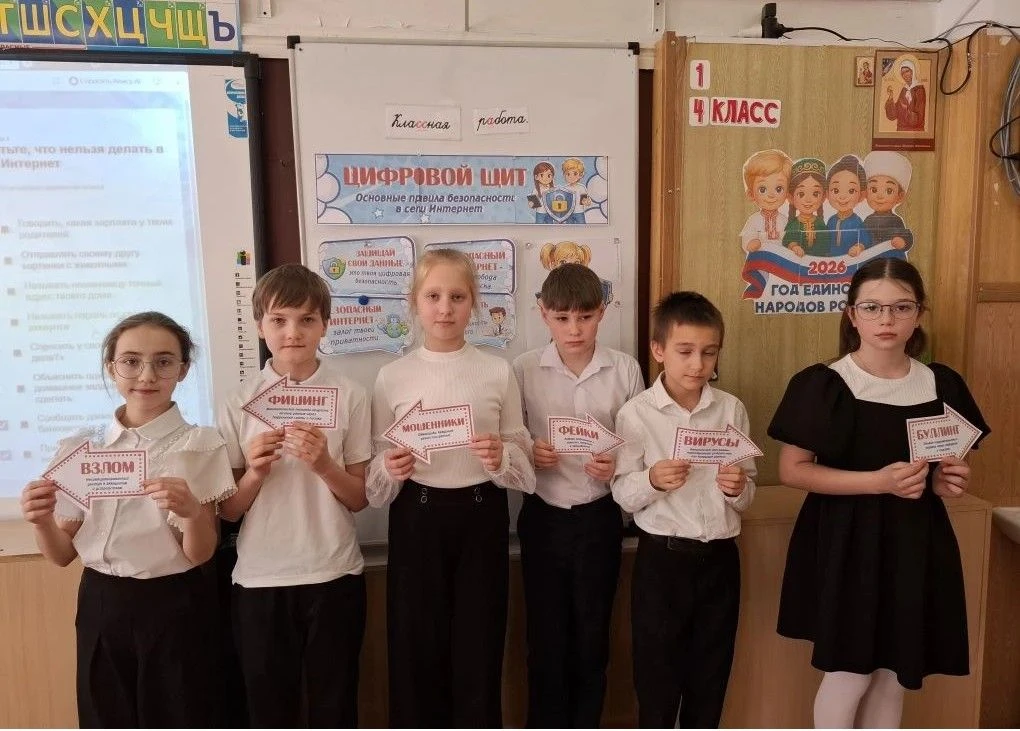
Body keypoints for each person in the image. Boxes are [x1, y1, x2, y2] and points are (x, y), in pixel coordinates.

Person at [768, 258, 989, 728]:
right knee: (849, 674)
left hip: (916, 540)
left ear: (919, 314)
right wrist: (877, 482)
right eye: (872, 307)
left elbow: (944, 471)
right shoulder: (826, 384)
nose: (886, 319)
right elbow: (792, 470)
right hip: (848, 542)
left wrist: (947, 482)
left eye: (901, 307)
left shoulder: (941, 384)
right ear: (852, 315)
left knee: (894, 675)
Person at [20, 311, 235, 728]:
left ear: (182, 369)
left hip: (175, 603)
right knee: (105, 715)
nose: (147, 375)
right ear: (111, 367)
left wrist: (192, 512)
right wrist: (41, 520)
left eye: (163, 361)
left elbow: (200, 554)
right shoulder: (82, 448)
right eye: (131, 361)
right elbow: (61, 554)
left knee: (179, 713)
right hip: (102, 601)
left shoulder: (199, 444)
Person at [367, 248, 536, 728]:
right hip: (417, 518)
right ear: (414, 302)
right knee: (415, 648)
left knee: (479, 647)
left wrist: (502, 457)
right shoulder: (391, 376)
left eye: (457, 297)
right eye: (433, 296)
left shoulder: (497, 370)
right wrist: (390, 466)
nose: (445, 308)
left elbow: (522, 462)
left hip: (482, 516)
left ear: (474, 302)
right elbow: (375, 477)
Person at [216, 263, 371, 728]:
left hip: (334, 571)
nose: (293, 332)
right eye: (279, 320)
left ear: (326, 324)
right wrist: (255, 473)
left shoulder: (351, 394)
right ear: (259, 326)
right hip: (261, 578)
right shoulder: (238, 401)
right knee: (269, 709)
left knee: (335, 706)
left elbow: (360, 498)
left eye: (307, 320)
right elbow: (228, 510)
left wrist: (324, 465)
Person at [612, 292, 757, 728]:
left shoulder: (730, 409)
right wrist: (653, 480)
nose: (698, 364)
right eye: (685, 351)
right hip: (663, 561)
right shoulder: (637, 414)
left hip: (720, 559)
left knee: (710, 680)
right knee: (657, 682)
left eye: (709, 352)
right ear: (658, 350)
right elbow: (622, 492)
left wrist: (737, 489)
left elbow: (747, 492)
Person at [512, 263, 644, 727]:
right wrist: (530, 451)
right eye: (562, 318)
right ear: (543, 314)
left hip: (599, 516)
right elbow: (511, 439)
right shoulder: (523, 369)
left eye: (585, 317)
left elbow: (638, 444)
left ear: (602, 313)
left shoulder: (624, 368)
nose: (574, 329)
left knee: (592, 638)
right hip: (543, 516)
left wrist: (615, 464)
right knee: (545, 640)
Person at [740, 149, 792, 252]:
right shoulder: (754, 220)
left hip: (779, 258)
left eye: (778, 189)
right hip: (759, 258)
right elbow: (747, 237)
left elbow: (789, 239)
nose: (771, 195)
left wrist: (792, 246)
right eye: (762, 189)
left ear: (787, 193)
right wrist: (751, 243)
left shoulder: (784, 220)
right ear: (751, 194)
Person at [862, 151, 914, 250]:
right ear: (865, 193)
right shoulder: (868, 220)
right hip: (871, 257)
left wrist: (901, 241)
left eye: (889, 191)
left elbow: (906, 236)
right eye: (874, 189)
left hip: (891, 256)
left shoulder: (895, 221)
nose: (880, 196)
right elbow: (862, 239)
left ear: (900, 196)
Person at [824, 154, 872, 257]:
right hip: (831, 261)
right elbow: (825, 241)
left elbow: (865, 240)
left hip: (850, 261)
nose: (842, 197)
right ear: (827, 193)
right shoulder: (831, 220)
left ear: (861, 195)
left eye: (851, 191)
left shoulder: (857, 222)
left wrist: (858, 247)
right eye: (836, 190)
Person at [782, 157, 831, 257]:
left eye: (815, 194)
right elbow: (788, 240)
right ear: (791, 197)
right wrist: (794, 246)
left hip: (817, 262)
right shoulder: (794, 224)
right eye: (801, 194)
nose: (808, 200)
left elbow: (825, 244)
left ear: (823, 197)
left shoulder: (820, 223)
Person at [885, 59, 926, 132]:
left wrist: (904, 108)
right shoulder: (904, 90)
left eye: (907, 71)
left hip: (915, 131)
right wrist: (891, 97)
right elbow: (893, 115)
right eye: (902, 73)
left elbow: (918, 119)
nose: (905, 75)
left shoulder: (919, 90)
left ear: (912, 71)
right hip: (901, 130)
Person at [562, 157, 592, 223]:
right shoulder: (564, 188)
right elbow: (563, 201)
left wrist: (587, 202)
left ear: (580, 175)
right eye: (568, 174)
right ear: (564, 175)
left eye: (575, 174)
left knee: (582, 226)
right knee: (569, 227)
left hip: (579, 212)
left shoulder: (581, 187)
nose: (571, 176)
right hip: (568, 213)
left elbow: (584, 200)